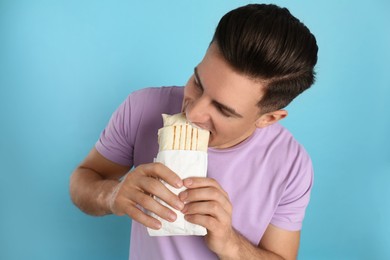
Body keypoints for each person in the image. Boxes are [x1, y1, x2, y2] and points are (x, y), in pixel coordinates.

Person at [70, 3, 318, 260]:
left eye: (223, 110)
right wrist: (112, 195)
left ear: (268, 118)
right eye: (198, 84)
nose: (193, 113)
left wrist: (230, 243)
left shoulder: (291, 164)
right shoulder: (142, 108)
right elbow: (83, 180)